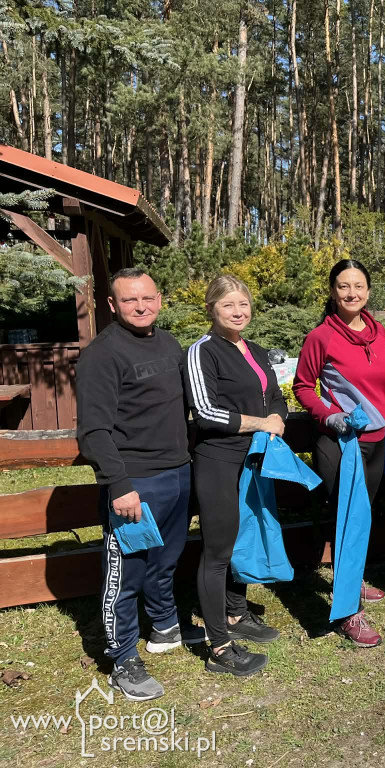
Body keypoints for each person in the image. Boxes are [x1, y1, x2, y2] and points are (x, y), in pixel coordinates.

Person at [76, 267, 194, 701]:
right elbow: (94, 430)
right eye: (129, 300)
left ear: (159, 298)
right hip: (135, 483)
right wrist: (118, 483)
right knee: (126, 571)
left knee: (166, 560)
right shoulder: (102, 355)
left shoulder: (169, 344)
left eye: (147, 298)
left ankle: (164, 627)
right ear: (112, 305)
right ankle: (123, 656)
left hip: (178, 473)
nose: (140, 306)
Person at [185, 275, 288, 676]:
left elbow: (275, 396)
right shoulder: (202, 352)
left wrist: (276, 417)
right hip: (217, 461)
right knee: (218, 552)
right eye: (229, 305)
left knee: (242, 536)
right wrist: (262, 423)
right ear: (212, 309)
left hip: (253, 461)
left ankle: (235, 613)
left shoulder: (257, 350)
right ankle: (219, 648)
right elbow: (206, 412)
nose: (238, 312)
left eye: (243, 304)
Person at [294, 258, 385, 646]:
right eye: (343, 286)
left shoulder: (379, 332)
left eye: (358, 286)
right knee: (346, 517)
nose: (351, 293)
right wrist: (330, 416)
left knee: (362, 515)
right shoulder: (321, 336)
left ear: (368, 291)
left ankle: (351, 581)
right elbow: (304, 386)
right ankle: (350, 611)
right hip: (341, 443)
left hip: (377, 441)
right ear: (333, 292)